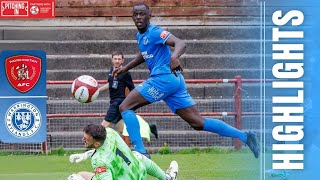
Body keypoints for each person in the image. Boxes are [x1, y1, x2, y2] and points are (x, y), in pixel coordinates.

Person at [112, 2, 260, 158]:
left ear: (150, 15)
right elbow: (144, 53)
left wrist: (174, 56)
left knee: (125, 106)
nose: (139, 17)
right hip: (174, 81)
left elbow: (180, 43)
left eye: (142, 14)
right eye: (136, 14)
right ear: (132, 17)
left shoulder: (155, 32)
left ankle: (141, 151)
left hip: (163, 79)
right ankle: (246, 137)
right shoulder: (140, 36)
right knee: (198, 123)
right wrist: (126, 68)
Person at [67, 124, 178, 180]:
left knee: (77, 177)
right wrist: (86, 154)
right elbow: (106, 150)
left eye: (86, 139)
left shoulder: (99, 160)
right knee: (136, 155)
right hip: (139, 171)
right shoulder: (110, 133)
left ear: (96, 144)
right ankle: (167, 178)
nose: (83, 140)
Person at [98, 51, 158, 145]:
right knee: (123, 130)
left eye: (119, 59)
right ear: (112, 60)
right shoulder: (111, 71)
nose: (117, 61)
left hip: (118, 103)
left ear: (123, 61)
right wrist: (98, 90)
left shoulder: (125, 73)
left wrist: (131, 103)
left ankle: (94, 149)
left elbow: (132, 88)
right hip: (113, 102)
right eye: (115, 59)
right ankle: (149, 127)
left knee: (102, 127)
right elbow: (110, 84)